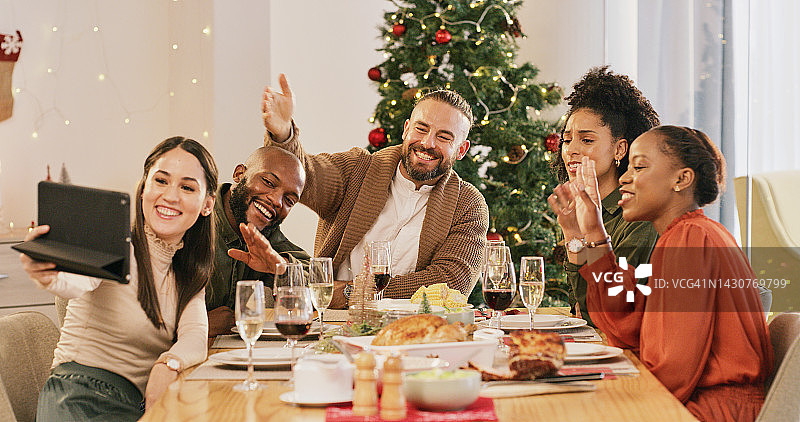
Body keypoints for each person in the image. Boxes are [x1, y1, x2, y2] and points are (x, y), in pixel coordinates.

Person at [548, 126, 772, 421]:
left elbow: (673, 368)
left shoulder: (692, 237)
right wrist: (591, 231)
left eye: (639, 167)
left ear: (682, 179)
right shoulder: (681, 235)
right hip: (692, 401)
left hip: (704, 411)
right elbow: (626, 316)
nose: (626, 178)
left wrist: (615, 400)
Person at [20, 137, 217, 420]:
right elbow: (72, 281)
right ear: (144, 188)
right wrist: (47, 271)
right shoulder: (113, 242)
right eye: (161, 181)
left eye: (187, 187)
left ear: (207, 204)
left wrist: (167, 364)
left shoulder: (187, 273)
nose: (171, 196)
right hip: (79, 397)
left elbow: (196, 337)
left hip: (134, 407)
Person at [261, 74, 489, 308]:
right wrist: (283, 135)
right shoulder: (357, 169)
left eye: (444, 137)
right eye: (421, 129)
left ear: (461, 150)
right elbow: (304, 175)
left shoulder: (468, 203)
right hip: (333, 323)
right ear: (406, 129)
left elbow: (451, 281)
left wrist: (353, 292)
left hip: (411, 330)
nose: (428, 143)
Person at [551, 66, 660, 325]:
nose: (571, 151)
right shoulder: (577, 211)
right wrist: (572, 236)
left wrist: (576, 238)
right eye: (567, 140)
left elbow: (601, 313)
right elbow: (578, 304)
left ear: (620, 149)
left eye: (587, 140)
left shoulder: (638, 217)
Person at [205, 146, 310, 338]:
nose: (278, 201)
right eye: (269, 182)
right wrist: (196, 326)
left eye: (289, 200)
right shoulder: (197, 215)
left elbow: (316, 277)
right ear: (239, 174)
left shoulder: (266, 235)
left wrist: (281, 267)